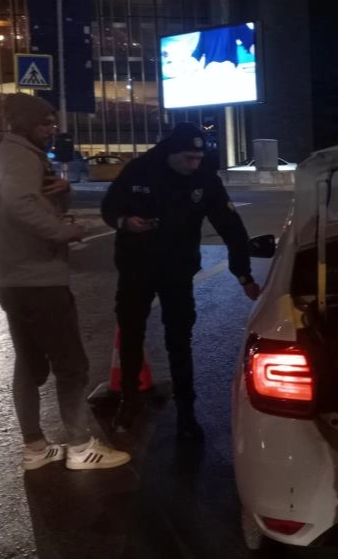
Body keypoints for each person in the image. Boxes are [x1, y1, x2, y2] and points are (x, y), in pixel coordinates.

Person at [0, 93, 130, 472]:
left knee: (28, 366)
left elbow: (35, 201)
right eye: (44, 123)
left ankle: (35, 447)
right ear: (24, 124)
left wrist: (64, 193)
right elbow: (19, 205)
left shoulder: (11, 156)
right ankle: (80, 447)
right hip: (39, 281)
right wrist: (65, 232)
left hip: (14, 280)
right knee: (72, 366)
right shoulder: (20, 158)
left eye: (52, 123)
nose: (52, 130)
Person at [100, 122, 260, 441]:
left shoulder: (204, 178)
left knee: (179, 339)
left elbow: (231, 226)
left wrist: (243, 274)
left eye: (198, 158)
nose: (194, 164)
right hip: (136, 268)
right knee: (131, 333)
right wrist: (125, 222)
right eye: (188, 158)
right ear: (171, 153)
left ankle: (187, 410)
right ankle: (129, 400)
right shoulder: (140, 170)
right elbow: (109, 208)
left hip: (178, 271)